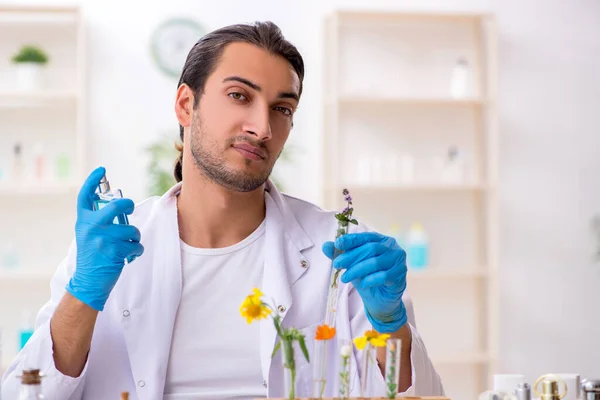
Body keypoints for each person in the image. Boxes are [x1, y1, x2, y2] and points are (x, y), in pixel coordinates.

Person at [1, 21, 444, 399]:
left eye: (282, 108)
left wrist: (391, 326)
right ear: (185, 105)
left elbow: (423, 395)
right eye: (239, 96)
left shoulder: (341, 252)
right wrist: (82, 297)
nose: (262, 126)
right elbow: (24, 390)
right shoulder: (109, 248)